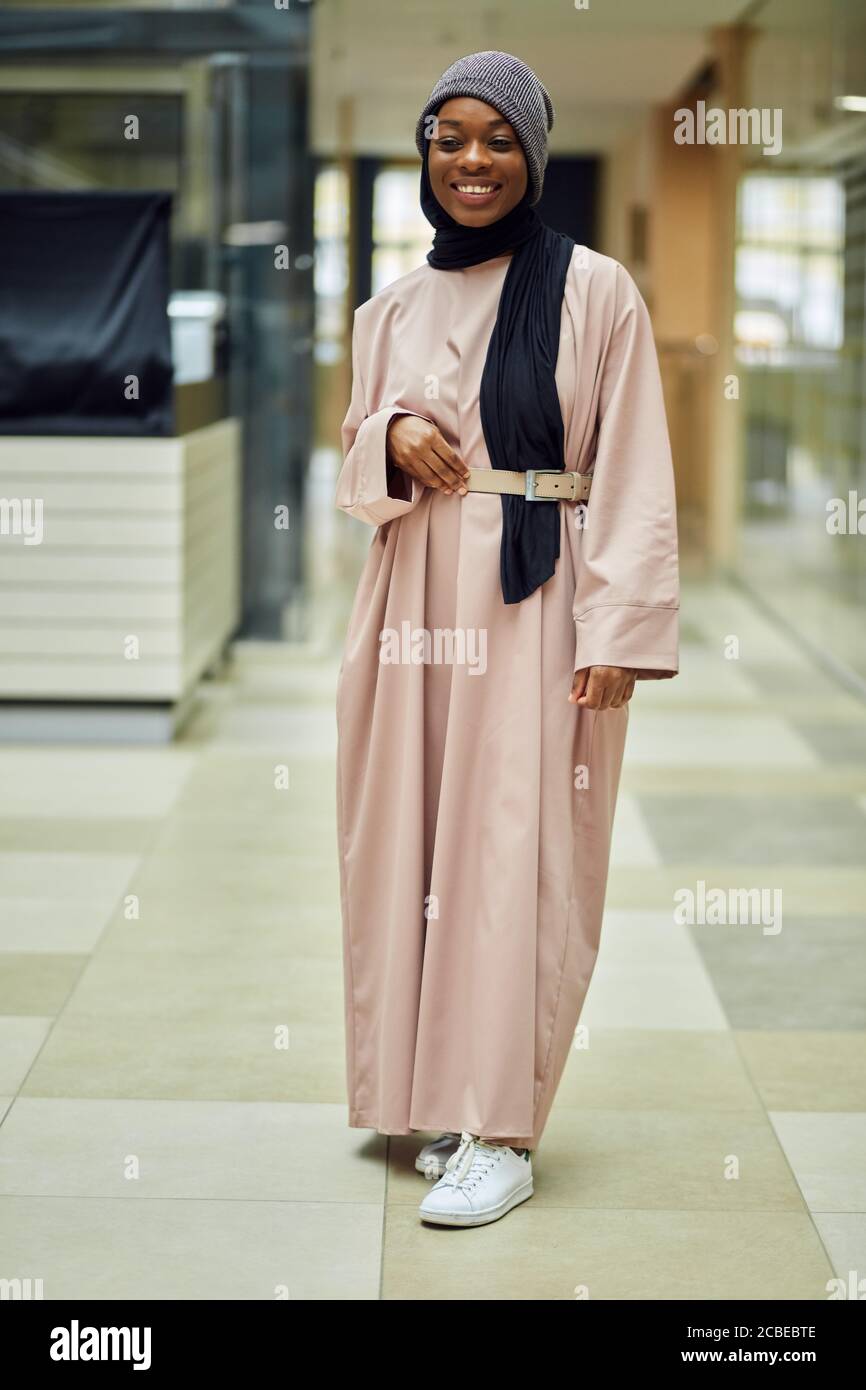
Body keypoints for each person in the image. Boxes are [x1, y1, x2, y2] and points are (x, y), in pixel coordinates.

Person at [334, 50, 679, 1229]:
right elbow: (351, 461)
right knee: (411, 843)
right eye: (448, 137)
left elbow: (630, 463)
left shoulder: (593, 290)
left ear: (530, 154)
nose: (470, 161)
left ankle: (505, 1127)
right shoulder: (387, 307)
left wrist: (620, 626)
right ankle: (434, 1096)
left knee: (518, 859)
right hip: (411, 599)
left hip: (535, 593)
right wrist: (385, 436)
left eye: (495, 138)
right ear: (424, 154)